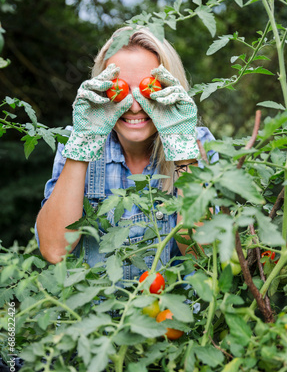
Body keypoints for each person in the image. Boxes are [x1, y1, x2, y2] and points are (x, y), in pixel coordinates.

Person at [36, 27, 217, 278]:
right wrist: (84, 142)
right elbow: (54, 250)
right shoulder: (76, 141)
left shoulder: (198, 145)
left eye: (148, 90)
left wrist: (182, 149)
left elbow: (203, 256)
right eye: (118, 89)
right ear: (100, 89)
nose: (133, 106)